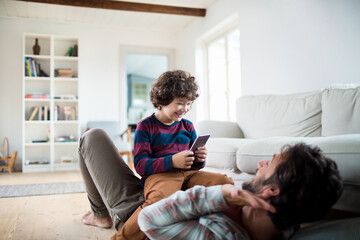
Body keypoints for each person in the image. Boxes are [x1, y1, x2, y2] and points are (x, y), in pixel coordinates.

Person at [79, 70, 233, 240]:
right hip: (160, 176)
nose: (186, 108)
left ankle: (218, 224)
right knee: (159, 203)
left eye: (189, 103)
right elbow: (141, 165)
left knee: (223, 182)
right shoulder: (145, 126)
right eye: (180, 103)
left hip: (188, 175)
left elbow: (193, 163)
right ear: (163, 100)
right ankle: (122, 237)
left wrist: (199, 159)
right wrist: (172, 161)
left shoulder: (188, 126)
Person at [138, 143, 344, 240]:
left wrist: (221, 195)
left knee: (103, 138)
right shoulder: (285, 220)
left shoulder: (218, 236)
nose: (260, 163)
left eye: (270, 163)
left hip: (139, 211)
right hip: (165, 194)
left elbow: (148, 220)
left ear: (272, 189)